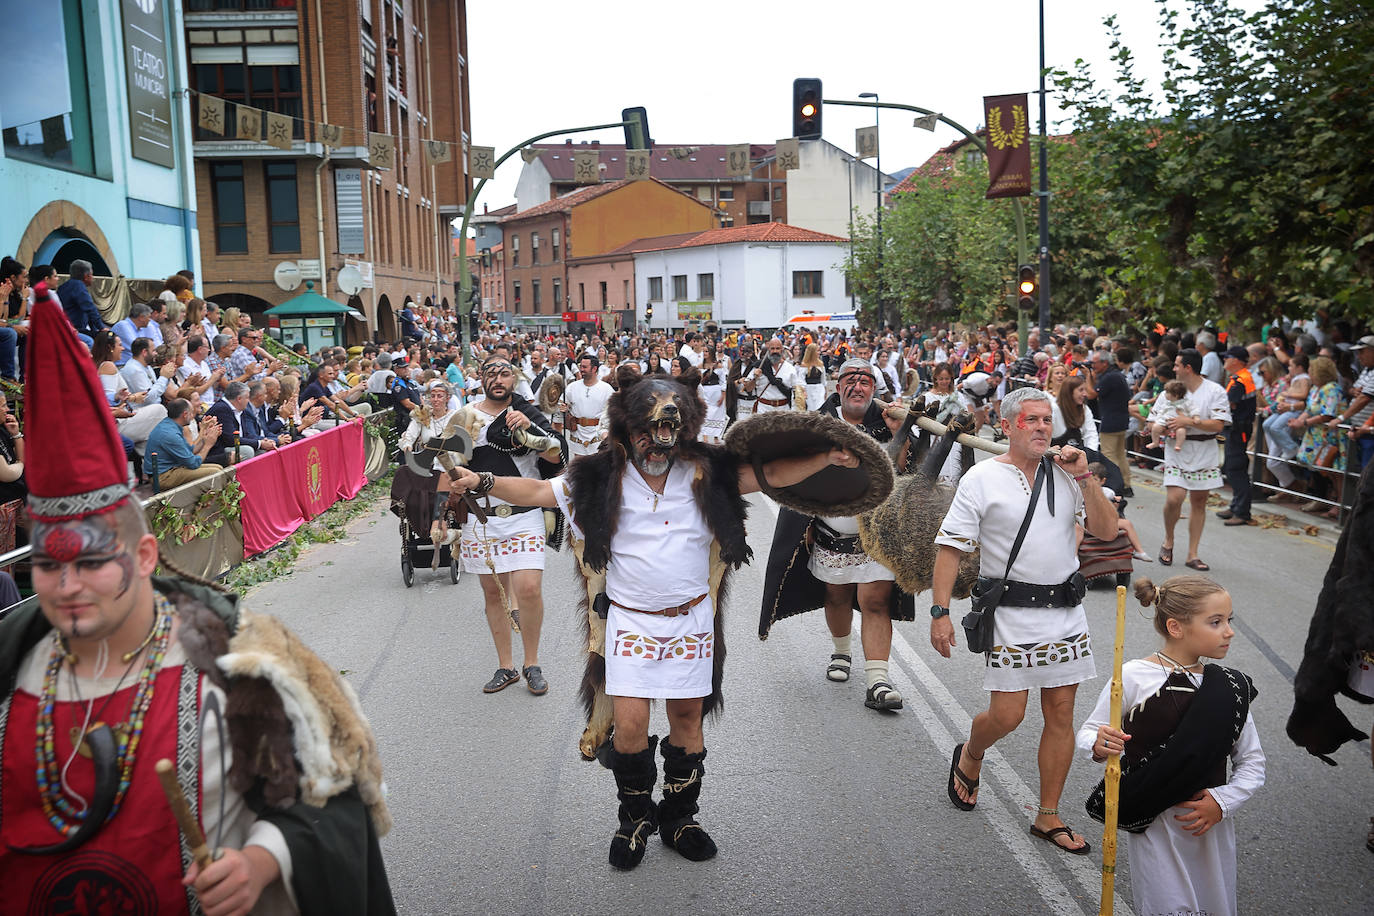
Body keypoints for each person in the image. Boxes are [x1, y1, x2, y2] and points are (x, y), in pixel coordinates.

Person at [0, 293, 395, 913]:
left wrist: (260, 861)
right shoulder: (10, 670)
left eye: (92, 562)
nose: (67, 585)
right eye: (48, 565)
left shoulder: (232, 663)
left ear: (146, 557)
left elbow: (321, 802)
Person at [447, 367, 856, 870]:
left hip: (690, 621)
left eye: (668, 430)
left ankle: (681, 817)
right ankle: (635, 819)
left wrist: (827, 457)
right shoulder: (596, 479)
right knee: (631, 724)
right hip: (631, 621)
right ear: (628, 430)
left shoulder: (708, 474)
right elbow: (534, 492)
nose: (657, 441)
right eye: (647, 430)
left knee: (687, 716)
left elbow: (770, 476)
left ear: (682, 430)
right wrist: (481, 480)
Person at [930, 386, 1117, 853]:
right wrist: (939, 612)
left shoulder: (1069, 475)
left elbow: (1107, 531)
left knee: (1061, 714)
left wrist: (1087, 478)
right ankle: (972, 753)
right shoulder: (982, 479)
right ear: (1008, 426)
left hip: (1065, 613)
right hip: (1009, 613)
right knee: (1008, 715)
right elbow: (950, 547)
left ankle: (1047, 815)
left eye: (1046, 421)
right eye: (1030, 420)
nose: (1040, 428)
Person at [1078, 575, 1264, 916]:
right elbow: (1090, 731)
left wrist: (1221, 803)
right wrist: (1099, 742)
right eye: (1216, 622)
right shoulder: (1133, 676)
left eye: (1229, 621)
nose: (1229, 631)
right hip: (1155, 822)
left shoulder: (1228, 689)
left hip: (1210, 828)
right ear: (1176, 627)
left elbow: (1252, 763)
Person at [761, 359, 913, 709]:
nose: (858, 387)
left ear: (874, 389)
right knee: (837, 596)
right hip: (832, 531)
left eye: (865, 382)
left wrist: (900, 431)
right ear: (838, 386)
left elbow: (906, 471)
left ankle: (878, 681)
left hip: (877, 536)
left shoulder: (888, 423)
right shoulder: (819, 426)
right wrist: (804, 525)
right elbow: (797, 478)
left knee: (875, 601)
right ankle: (841, 652)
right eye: (851, 380)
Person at [454, 356, 563, 695]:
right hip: (483, 516)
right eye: (491, 374)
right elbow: (450, 461)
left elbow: (555, 457)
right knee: (494, 593)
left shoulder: (527, 413)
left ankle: (532, 662)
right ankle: (506, 666)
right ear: (482, 379)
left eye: (505, 374)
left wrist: (528, 431)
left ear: (514, 380)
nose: (498, 380)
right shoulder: (466, 415)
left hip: (524, 512)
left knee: (528, 588)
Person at [1148, 349, 1231, 570]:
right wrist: (1161, 428)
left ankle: (1192, 554)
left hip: (1205, 448)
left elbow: (1219, 424)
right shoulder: (1170, 390)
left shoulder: (1215, 391)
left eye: (1176, 365)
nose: (1173, 369)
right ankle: (1169, 539)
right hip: (1177, 448)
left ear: (1188, 368)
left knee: (1199, 501)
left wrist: (1189, 422)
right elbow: (1152, 421)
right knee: (1175, 498)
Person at [1217, 346, 1258, 526]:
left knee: (1236, 467)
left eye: (1228, 357)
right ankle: (1236, 507)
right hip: (1236, 428)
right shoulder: (1240, 377)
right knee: (1233, 466)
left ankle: (1242, 512)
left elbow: (1230, 404)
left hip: (1238, 429)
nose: (1225, 360)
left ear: (1237, 360)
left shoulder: (1241, 379)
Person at [144, 397, 223, 489]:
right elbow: (193, 463)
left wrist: (205, 437)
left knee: (219, 468)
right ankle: (211, 502)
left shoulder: (170, 425)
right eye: (191, 412)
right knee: (216, 473)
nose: (193, 415)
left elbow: (191, 451)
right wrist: (208, 445)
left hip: (172, 469)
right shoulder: (170, 434)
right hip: (163, 477)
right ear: (185, 414)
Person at [1094, 348, 1134, 497]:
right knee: (1120, 454)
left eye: (1095, 363)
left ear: (1104, 363)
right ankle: (1127, 485)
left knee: (1109, 455)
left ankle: (1115, 483)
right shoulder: (1118, 375)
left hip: (1110, 421)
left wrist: (1088, 377)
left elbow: (1092, 394)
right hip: (1122, 420)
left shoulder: (1108, 377)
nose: (1093, 366)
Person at [564, 354, 614, 458]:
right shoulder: (572, 387)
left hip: (597, 435)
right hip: (577, 434)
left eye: (584, 367)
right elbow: (562, 405)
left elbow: (614, 412)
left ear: (594, 369)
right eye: (580, 366)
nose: (581, 369)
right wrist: (564, 409)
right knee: (579, 468)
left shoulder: (606, 389)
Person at [55, 259, 104, 345]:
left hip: (69, 328)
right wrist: (101, 327)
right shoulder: (78, 286)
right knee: (90, 342)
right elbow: (90, 308)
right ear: (86, 276)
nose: (93, 277)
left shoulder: (63, 287)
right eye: (91, 275)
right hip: (73, 330)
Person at [751, 338, 801, 414]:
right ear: (768, 350)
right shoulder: (759, 366)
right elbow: (748, 388)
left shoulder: (790, 368)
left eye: (777, 348)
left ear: (782, 350)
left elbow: (796, 392)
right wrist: (754, 378)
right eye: (772, 348)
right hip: (763, 410)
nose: (775, 351)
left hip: (784, 410)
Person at [799, 343, 827, 411]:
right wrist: (804, 391)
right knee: (810, 409)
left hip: (819, 389)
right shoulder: (804, 365)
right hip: (809, 390)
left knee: (820, 408)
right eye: (817, 351)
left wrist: (825, 390)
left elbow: (823, 379)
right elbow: (801, 380)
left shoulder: (820, 364)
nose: (819, 352)